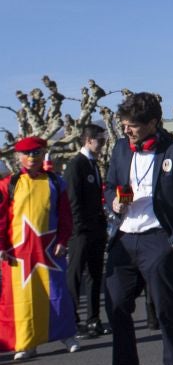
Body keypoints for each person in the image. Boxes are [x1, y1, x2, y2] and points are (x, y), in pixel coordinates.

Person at [104, 92, 173, 365]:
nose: (127, 131)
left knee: (165, 311)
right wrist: (114, 203)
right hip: (124, 238)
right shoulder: (119, 150)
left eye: (133, 126)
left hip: (158, 238)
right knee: (117, 307)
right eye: (124, 125)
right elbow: (108, 188)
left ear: (153, 123)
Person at [0, 136, 79, 359]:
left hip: (50, 251)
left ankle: (67, 334)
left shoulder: (56, 182)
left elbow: (65, 216)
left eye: (36, 153)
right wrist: (2, 246)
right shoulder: (8, 185)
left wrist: (63, 240)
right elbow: (1, 219)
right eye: (27, 154)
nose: (32, 158)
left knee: (57, 293)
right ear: (18, 157)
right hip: (19, 253)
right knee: (22, 298)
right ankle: (26, 342)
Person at [64, 122, 109, 338]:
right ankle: (72, 320)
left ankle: (94, 319)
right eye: (99, 141)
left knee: (94, 274)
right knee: (75, 276)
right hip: (79, 232)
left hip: (95, 230)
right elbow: (72, 200)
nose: (102, 145)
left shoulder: (93, 164)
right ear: (88, 140)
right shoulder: (76, 165)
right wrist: (78, 228)